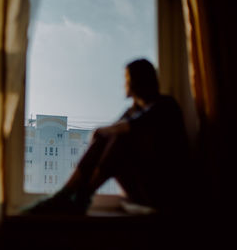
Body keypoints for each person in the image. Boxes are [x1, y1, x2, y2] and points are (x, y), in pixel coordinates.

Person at [22, 59, 189, 216]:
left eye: (127, 78)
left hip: (164, 189)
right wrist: (102, 134)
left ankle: (79, 196)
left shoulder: (165, 106)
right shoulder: (132, 112)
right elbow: (107, 134)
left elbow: (131, 127)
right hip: (140, 187)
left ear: (138, 81)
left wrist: (104, 132)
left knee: (120, 138)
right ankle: (66, 195)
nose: (125, 84)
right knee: (110, 137)